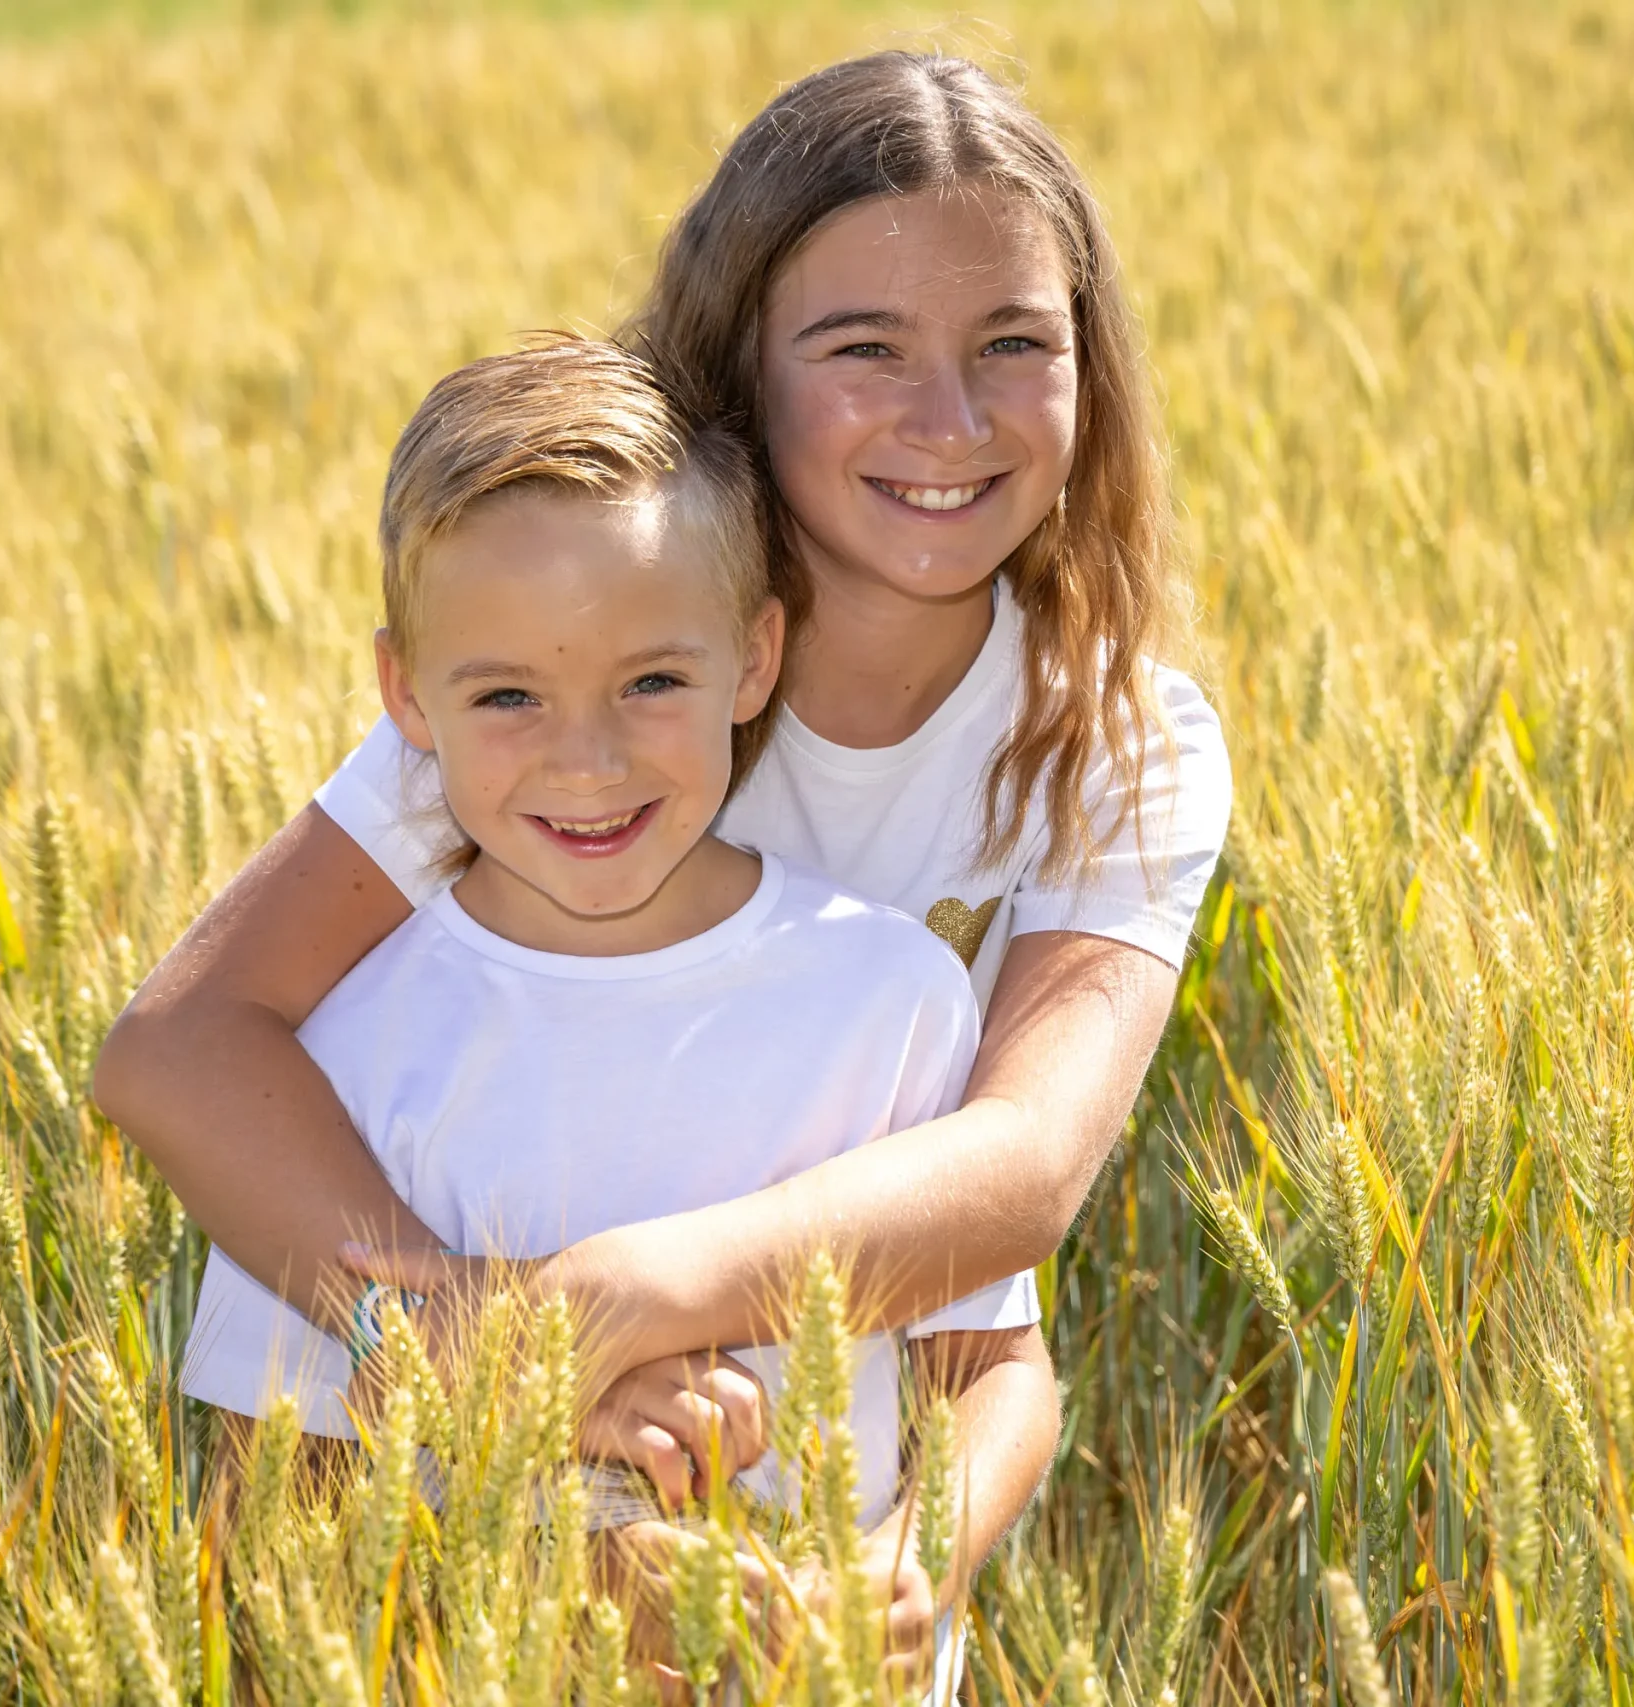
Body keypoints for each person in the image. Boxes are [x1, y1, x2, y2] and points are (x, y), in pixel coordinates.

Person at [95, 48, 1233, 1672]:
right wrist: (474, 1346)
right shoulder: (577, 675)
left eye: (1014, 346)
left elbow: (1025, 1175)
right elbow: (183, 1041)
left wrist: (636, 1297)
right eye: (863, 348)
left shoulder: (1117, 740)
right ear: (738, 373)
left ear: (1089, 367)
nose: (950, 419)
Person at [180, 336, 1057, 1693]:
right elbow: (268, 1511)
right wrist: (592, 1575)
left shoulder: (888, 998)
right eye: (508, 695)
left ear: (755, 657)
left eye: (651, 681)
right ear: (405, 692)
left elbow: (996, 1366)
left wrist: (920, 1554)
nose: (585, 756)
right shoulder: (337, 1062)